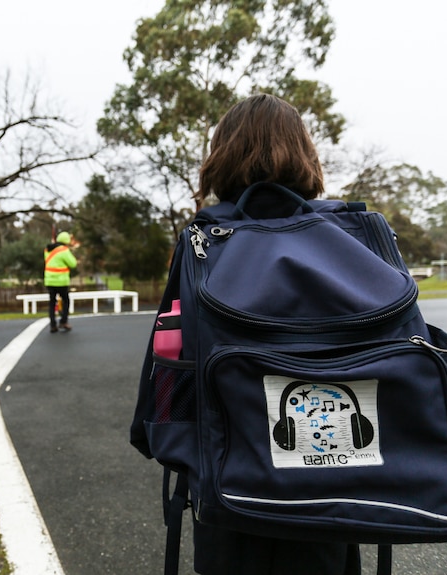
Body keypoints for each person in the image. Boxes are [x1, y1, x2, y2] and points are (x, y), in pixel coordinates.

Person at [175, 94, 361, 574]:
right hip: (341, 483)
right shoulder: (349, 235)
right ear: (306, 155)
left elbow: (172, 366)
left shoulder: (204, 241)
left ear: (223, 156)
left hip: (231, 475)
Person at [44, 231, 77, 333]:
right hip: (61, 281)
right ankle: (63, 321)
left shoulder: (47, 250)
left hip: (49, 281)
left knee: (52, 303)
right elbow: (73, 264)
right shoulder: (64, 250)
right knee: (66, 301)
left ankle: (53, 325)